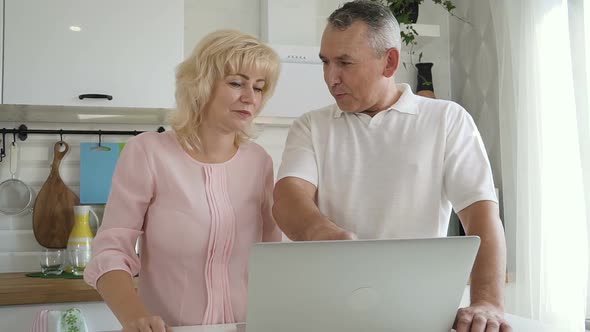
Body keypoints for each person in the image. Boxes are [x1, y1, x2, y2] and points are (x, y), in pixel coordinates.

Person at [272, 1, 511, 332]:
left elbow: (481, 214)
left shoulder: (447, 119)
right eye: (325, 62)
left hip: (422, 312)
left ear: (389, 62)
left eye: (345, 63)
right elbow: (287, 197)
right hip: (330, 309)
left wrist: (488, 301)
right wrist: (324, 234)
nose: (331, 78)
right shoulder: (311, 126)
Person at [84, 29, 282, 331]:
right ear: (201, 84)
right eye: (236, 83)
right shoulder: (149, 152)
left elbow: (272, 258)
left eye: (259, 87)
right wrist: (133, 314)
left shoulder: (259, 162)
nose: (249, 98)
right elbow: (111, 250)